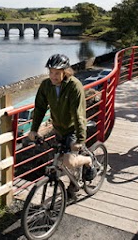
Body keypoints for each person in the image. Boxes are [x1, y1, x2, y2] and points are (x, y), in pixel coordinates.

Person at [28, 53, 96, 201]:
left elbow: (79, 114)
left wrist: (80, 139)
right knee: (59, 160)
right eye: (51, 72)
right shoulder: (46, 85)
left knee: (69, 161)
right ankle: (73, 187)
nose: (53, 76)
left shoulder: (74, 86)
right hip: (59, 128)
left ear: (65, 72)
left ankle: (88, 161)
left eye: (57, 73)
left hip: (73, 128)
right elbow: (39, 108)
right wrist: (33, 130)